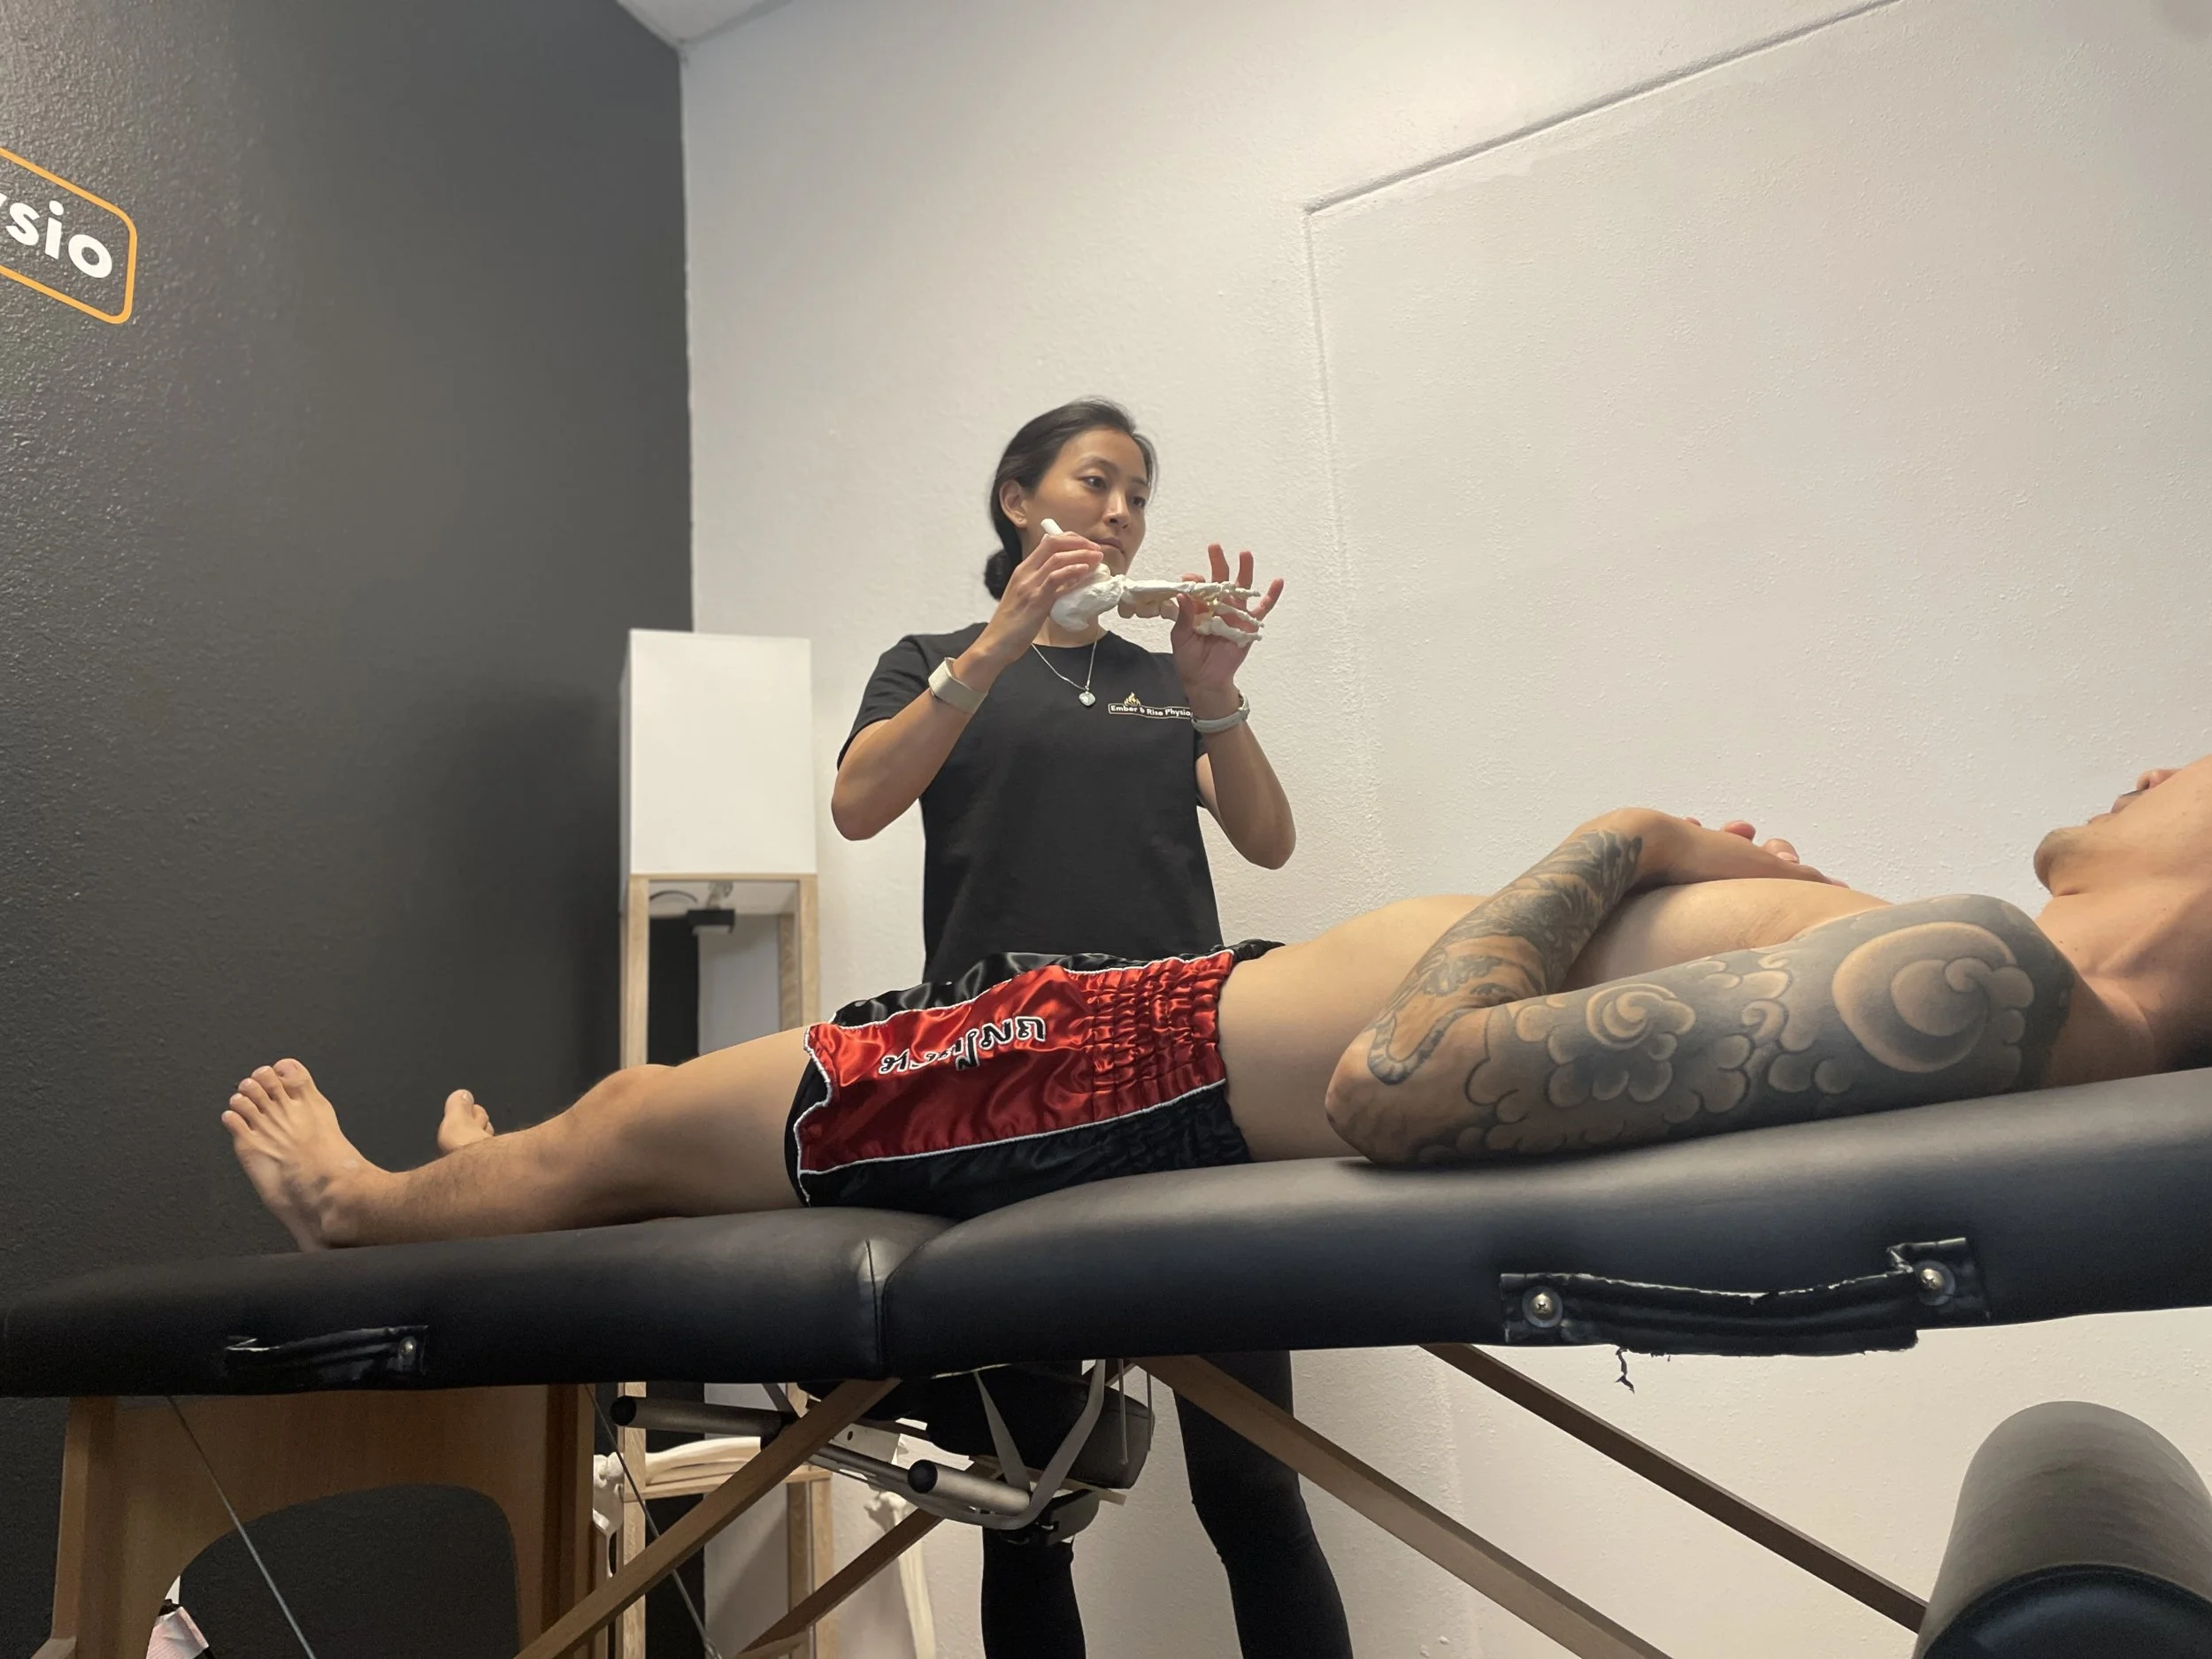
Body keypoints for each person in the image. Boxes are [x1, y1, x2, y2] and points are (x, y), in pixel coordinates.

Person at [228, 760, 2212, 1248]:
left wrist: (1618, 836)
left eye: (2184, 765)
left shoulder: (1989, 979)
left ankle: (376, 1208)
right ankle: (501, 1191)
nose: (2144, 766)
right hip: (1159, 1029)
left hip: (1141, 1071)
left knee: (644, 1108)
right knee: (649, 1125)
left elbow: (1400, 1078)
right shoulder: (2012, 993)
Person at [826, 396, 1324, 1657]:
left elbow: (1266, 835)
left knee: (1256, 1484)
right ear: (1017, 501)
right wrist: (993, 645)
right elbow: (858, 803)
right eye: (1097, 481)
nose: (1122, 511)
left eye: (1138, 492)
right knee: (1024, 1504)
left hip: (1177, 1077)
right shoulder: (936, 657)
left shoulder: (1165, 682)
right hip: (1006, 1085)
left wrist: (1216, 696)